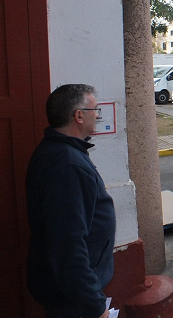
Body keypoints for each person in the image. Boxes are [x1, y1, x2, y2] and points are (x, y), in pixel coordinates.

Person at [26, 84, 116, 318]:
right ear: (78, 115)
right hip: (73, 300)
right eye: (95, 111)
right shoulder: (68, 166)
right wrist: (96, 306)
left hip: (68, 292)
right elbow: (68, 246)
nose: (97, 116)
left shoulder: (61, 152)